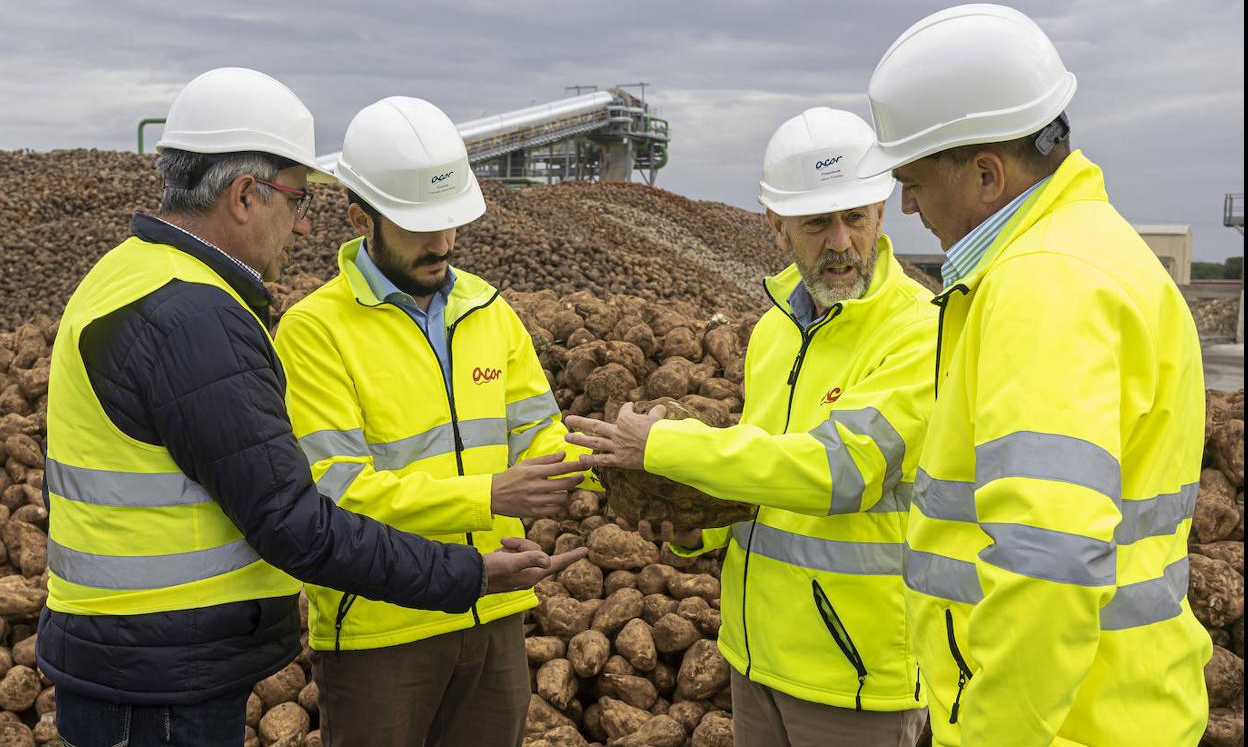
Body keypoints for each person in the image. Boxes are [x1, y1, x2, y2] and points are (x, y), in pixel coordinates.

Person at [36, 69, 577, 747]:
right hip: (161, 676)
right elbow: (300, 520)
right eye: (295, 198)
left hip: (151, 660)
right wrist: (470, 565)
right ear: (243, 195)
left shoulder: (132, 276)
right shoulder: (194, 318)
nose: (302, 220)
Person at [855, 4, 1211, 746]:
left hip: (1057, 725)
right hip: (1119, 705)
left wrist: (992, 735)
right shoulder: (1100, 252)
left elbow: (1049, 561)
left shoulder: (1043, 284)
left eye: (912, 182)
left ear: (987, 173)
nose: (908, 206)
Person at [565, 108, 935, 747]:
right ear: (777, 226)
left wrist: (662, 446)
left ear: (883, 208)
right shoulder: (775, 331)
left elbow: (837, 470)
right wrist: (690, 527)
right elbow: (759, 478)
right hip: (754, 656)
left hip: (856, 675)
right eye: (817, 222)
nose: (841, 241)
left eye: (857, 216)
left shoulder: (919, 330)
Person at [272, 95, 597, 747]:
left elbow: (541, 434)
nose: (443, 243)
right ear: (360, 214)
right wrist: (489, 494)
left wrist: (622, 475)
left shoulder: (488, 310)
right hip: (381, 630)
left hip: (496, 610)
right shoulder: (315, 332)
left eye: (450, 222)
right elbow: (336, 494)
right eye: (421, 226)